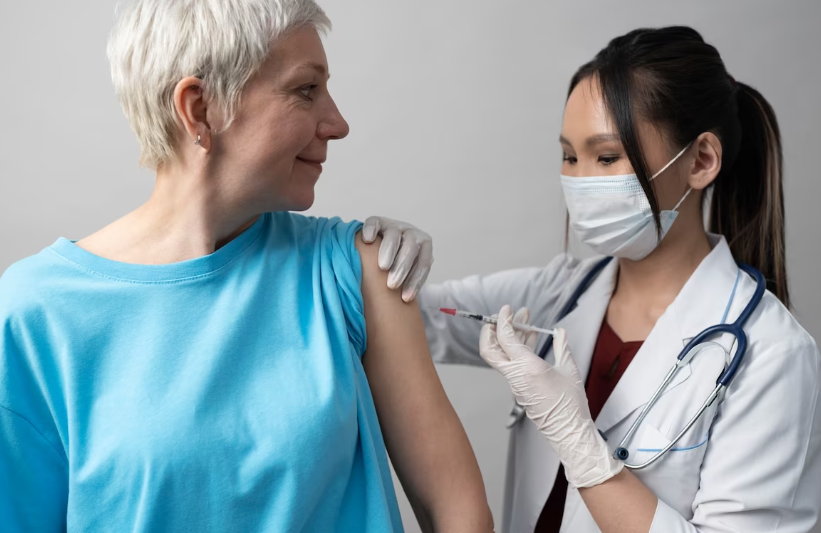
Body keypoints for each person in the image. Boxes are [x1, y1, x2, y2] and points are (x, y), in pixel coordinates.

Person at [0, 1, 493, 531]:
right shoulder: (35, 312)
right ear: (199, 107)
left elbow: (457, 512)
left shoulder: (355, 273)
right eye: (306, 89)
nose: (339, 123)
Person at [364, 26, 821, 533]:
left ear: (700, 160)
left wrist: (579, 443)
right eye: (568, 156)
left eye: (606, 157)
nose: (580, 182)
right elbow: (406, 319)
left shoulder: (771, 354)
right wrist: (370, 256)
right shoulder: (559, 293)